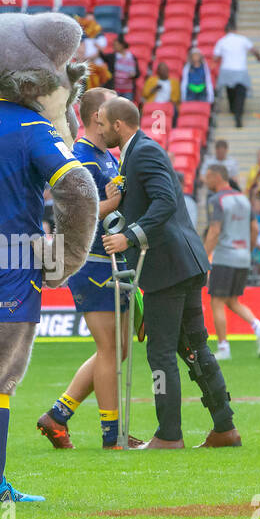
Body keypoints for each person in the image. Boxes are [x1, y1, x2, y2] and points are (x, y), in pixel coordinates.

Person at [96, 96, 240, 449]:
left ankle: (169, 435)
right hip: (184, 263)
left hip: (167, 268)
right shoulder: (136, 154)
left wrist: (128, 237)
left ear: (118, 125)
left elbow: (165, 202)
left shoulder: (143, 151)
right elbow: (152, 200)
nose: (98, 130)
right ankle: (225, 427)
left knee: (161, 353)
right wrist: (119, 196)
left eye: (101, 124)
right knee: (194, 346)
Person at [36, 89, 142, 450]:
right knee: (110, 349)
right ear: (98, 115)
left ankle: (58, 415)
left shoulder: (104, 155)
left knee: (117, 349)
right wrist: (114, 200)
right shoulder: (80, 157)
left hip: (112, 260)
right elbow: (75, 213)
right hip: (93, 263)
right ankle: (113, 436)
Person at [203, 166, 260, 361]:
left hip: (225, 257)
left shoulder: (217, 200)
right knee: (232, 301)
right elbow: (255, 229)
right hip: (242, 257)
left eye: (208, 177)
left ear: (217, 177)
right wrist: (246, 252)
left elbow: (214, 231)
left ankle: (224, 348)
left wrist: (203, 256)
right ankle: (259, 327)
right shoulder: (243, 199)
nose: (205, 181)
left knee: (216, 300)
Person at [212, 21, 260, 129]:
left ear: (225, 31)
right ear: (235, 30)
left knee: (230, 91)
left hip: (227, 70)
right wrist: (258, 57)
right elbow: (254, 50)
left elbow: (215, 57)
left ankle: (232, 109)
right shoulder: (242, 39)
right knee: (240, 93)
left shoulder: (222, 41)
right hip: (240, 70)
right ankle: (238, 115)